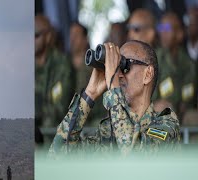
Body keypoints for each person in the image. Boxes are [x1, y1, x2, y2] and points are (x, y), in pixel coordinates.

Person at [49, 40, 180, 156]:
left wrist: (113, 84)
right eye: (116, 68)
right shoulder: (107, 131)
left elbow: (134, 156)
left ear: (148, 74)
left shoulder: (165, 124)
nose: (119, 75)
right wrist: (89, 94)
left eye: (125, 66)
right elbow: (57, 155)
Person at [154, 12, 196, 120]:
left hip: (181, 114)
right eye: (161, 27)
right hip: (155, 113)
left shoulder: (189, 64)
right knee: (164, 108)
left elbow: (189, 95)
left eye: (167, 28)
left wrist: (184, 105)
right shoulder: (154, 58)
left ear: (179, 34)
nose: (162, 32)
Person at [35, 14, 74, 129]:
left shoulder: (61, 64)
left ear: (48, 37)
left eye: (35, 35)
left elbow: (60, 108)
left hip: (51, 135)